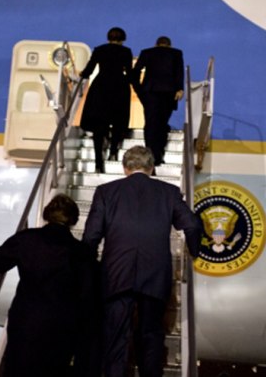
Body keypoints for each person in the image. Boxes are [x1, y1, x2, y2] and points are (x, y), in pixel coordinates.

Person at [82, 145, 202, 377]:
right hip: (155, 275)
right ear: (152, 168)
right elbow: (193, 224)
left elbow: (91, 236)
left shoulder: (106, 191)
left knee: (116, 337)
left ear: (125, 168)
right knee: (151, 335)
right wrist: (195, 251)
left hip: (116, 274)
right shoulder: (169, 192)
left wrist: (89, 269)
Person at [0, 193, 98, 377]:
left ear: (48, 214)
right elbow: (87, 295)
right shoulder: (81, 251)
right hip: (62, 327)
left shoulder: (27, 239)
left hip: (26, 321)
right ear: (73, 219)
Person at [79, 26, 133, 173]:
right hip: (119, 87)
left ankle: (98, 162)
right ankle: (113, 151)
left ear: (108, 37)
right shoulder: (126, 52)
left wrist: (81, 74)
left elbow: (88, 70)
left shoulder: (100, 50)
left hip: (101, 87)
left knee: (99, 126)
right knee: (117, 121)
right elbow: (129, 73)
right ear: (122, 39)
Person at [131, 36, 184, 166]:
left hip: (150, 91)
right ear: (169, 45)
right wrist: (180, 89)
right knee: (162, 123)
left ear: (156, 44)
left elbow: (136, 71)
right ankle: (159, 154)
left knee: (150, 123)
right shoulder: (176, 53)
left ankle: (150, 154)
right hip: (169, 93)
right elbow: (179, 72)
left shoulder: (147, 52)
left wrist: (139, 89)